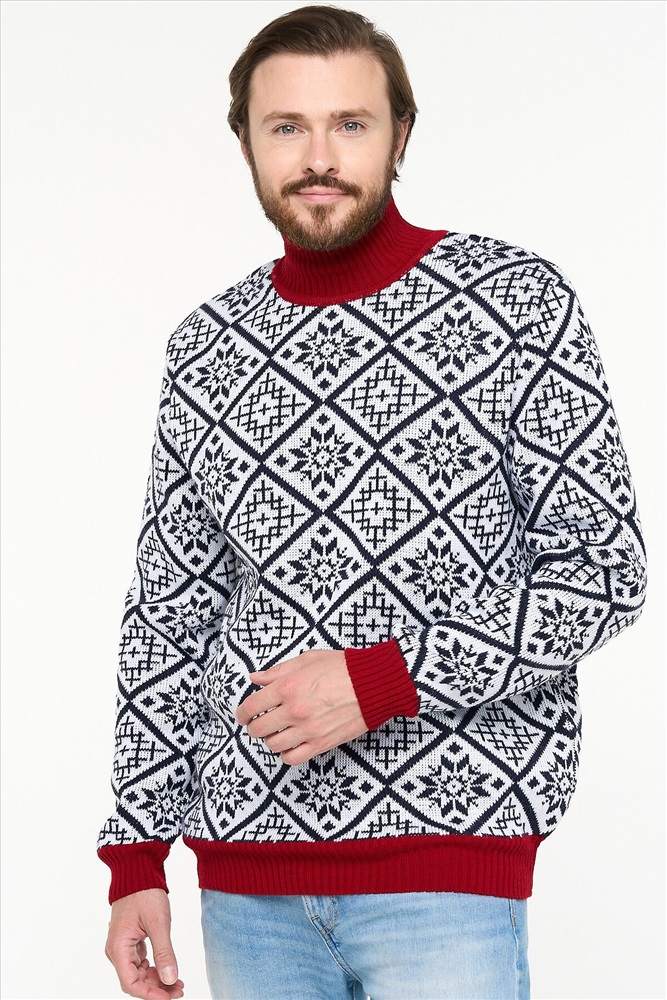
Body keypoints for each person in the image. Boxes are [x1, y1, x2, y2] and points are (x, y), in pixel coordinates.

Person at [98, 6, 647, 999]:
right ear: (245, 142)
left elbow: (602, 573)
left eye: (349, 123)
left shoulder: (513, 303)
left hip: (446, 871)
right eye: (287, 126)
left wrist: (384, 680)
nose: (318, 156)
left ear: (400, 135)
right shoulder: (207, 346)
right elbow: (170, 611)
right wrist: (136, 855)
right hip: (245, 881)